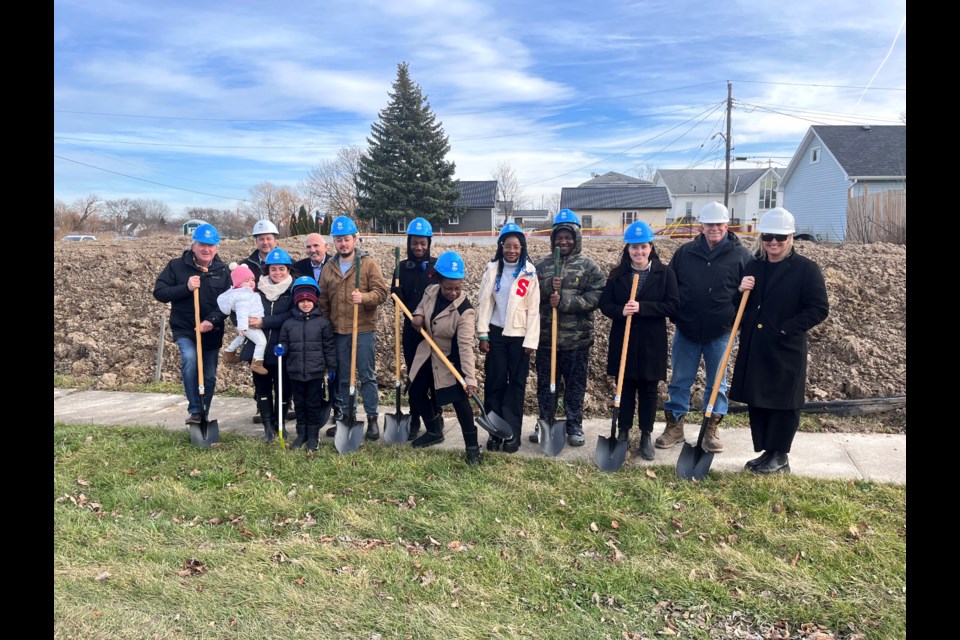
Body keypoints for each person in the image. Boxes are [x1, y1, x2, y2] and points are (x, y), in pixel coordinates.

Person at [729, 208, 829, 474]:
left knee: (783, 403)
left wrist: (785, 329)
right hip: (756, 346)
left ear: (791, 237)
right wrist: (740, 291)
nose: (773, 242)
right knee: (759, 399)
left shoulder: (806, 270)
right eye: (768, 237)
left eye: (780, 237)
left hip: (785, 348)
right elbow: (741, 306)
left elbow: (819, 309)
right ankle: (767, 451)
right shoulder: (754, 265)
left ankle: (781, 455)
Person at [656, 201, 752, 454]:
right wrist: (677, 316)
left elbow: (750, 295)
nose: (714, 229)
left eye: (719, 224)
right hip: (686, 330)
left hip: (721, 331)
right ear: (701, 226)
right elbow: (672, 288)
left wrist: (736, 323)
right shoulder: (685, 253)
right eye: (709, 224)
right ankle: (675, 428)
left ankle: (711, 429)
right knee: (679, 380)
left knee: (717, 383)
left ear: (727, 225)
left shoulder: (741, 256)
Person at [599, 221, 680, 459]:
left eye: (643, 246)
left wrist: (642, 307)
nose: (639, 252)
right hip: (623, 338)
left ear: (650, 247)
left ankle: (645, 434)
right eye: (634, 247)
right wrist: (621, 311)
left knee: (648, 389)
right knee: (624, 388)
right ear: (627, 250)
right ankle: (623, 431)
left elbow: (673, 305)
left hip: (651, 341)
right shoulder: (618, 275)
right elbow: (605, 304)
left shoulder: (664, 274)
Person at [531, 208, 606, 447]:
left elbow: (596, 298)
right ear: (553, 238)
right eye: (559, 237)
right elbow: (527, 294)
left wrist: (564, 302)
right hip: (545, 338)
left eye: (568, 236)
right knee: (545, 383)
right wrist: (545, 286)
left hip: (577, 341)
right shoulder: (540, 265)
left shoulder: (588, 266)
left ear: (576, 237)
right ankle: (545, 420)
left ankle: (574, 424)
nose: (564, 241)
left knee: (574, 386)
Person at [407, 251, 483, 463]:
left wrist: (470, 378)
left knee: (459, 403)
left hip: (450, 359)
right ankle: (433, 430)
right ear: (439, 281)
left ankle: (472, 447)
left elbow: (466, 346)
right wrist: (418, 314)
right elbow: (423, 305)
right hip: (427, 353)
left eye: (457, 288)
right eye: (448, 288)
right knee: (416, 392)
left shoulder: (465, 312)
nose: (453, 292)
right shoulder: (431, 291)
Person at [318, 215, 389, 441]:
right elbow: (323, 302)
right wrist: (325, 328)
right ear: (334, 242)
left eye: (346, 239)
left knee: (366, 376)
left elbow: (381, 293)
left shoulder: (367, 264)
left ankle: (371, 418)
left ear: (355, 239)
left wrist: (365, 297)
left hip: (363, 330)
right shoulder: (329, 268)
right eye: (338, 240)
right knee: (342, 378)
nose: (343, 244)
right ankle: (347, 417)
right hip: (339, 332)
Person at [152, 223, 230, 425]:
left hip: (212, 330)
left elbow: (229, 303)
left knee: (210, 376)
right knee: (190, 360)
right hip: (185, 327)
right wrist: (185, 287)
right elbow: (159, 293)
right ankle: (195, 410)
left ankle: (204, 411)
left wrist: (211, 321)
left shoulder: (222, 271)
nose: (207, 249)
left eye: (211, 245)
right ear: (193, 245)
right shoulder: (176, 266)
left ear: (217, 247)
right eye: (202, 245)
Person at [476, 222, 540, 453]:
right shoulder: (492, 269)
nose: (512, 250)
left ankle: (512, 432)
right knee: (494, 382)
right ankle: (495, 431)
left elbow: (533, 310)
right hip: (496, 334)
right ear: (501, 246)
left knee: (516, 385)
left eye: (516, 246)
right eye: (507, 246)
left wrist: (531, 341)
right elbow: (485, 303)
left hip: (519, 337)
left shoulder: (529, 273)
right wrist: (483, 334)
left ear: (522, 248)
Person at [238, 247, 296, 443]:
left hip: (283, 348)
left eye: (281, 268)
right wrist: (243, 321)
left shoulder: (293, 290)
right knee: (262, 387)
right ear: (267, 270)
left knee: (284, 388)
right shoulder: (254, 290)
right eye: (273, 269)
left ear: (288, 270)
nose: (277, 273)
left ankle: (280, 424)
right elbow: (236, 306)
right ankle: (268, 427)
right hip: (258, 350)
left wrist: (265, 322)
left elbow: (292, 315)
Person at [392, 217, 439, 441]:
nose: (418, 247)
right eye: (414, 243)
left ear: (429, 243)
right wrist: (397, 297)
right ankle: (415, 416)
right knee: (414, 375)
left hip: (434, 331)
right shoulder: (401, 269)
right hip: (411, 332)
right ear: (409, 243)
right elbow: (395, 299)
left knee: (434, 376)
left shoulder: (436, 267)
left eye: (423, 243)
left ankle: (435, 414)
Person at [279, 277, 338, 452]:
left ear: (314, 301)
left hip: (315, 372)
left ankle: (313, 435)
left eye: (309, 300)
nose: (305, 304)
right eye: (302, 301)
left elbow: (329, 347)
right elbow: (283, 342)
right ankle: (301, 433)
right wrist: (281, 348)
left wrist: (332, 367)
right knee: (299, 403)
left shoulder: (322, 323)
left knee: (313, 404)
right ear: (296, 302)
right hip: (295, 371)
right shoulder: (289, 323)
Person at [244, 219, 282, 425]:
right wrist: (244, 321)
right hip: (253, 325)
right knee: (258, 366)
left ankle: (285, 404)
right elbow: (235, 296)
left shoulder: (285, 262)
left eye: (268, 238)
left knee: (280, 369)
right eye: (261, 239)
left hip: (275, 326)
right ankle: (261, 404)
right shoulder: (247, 265)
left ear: (275, 240)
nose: (265, 242)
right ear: (256, 241)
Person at [217, 263, 268, 375]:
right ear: (238, 284)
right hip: (249, 324)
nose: (251, 282)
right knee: (261, 341)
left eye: (252, 280)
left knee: (241, 338)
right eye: (246, 281)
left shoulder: (245, 293)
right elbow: (242, 312)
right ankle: (257, 363)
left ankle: (229, 353)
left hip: (247, 323)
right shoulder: (242, 296)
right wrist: (243, 326)